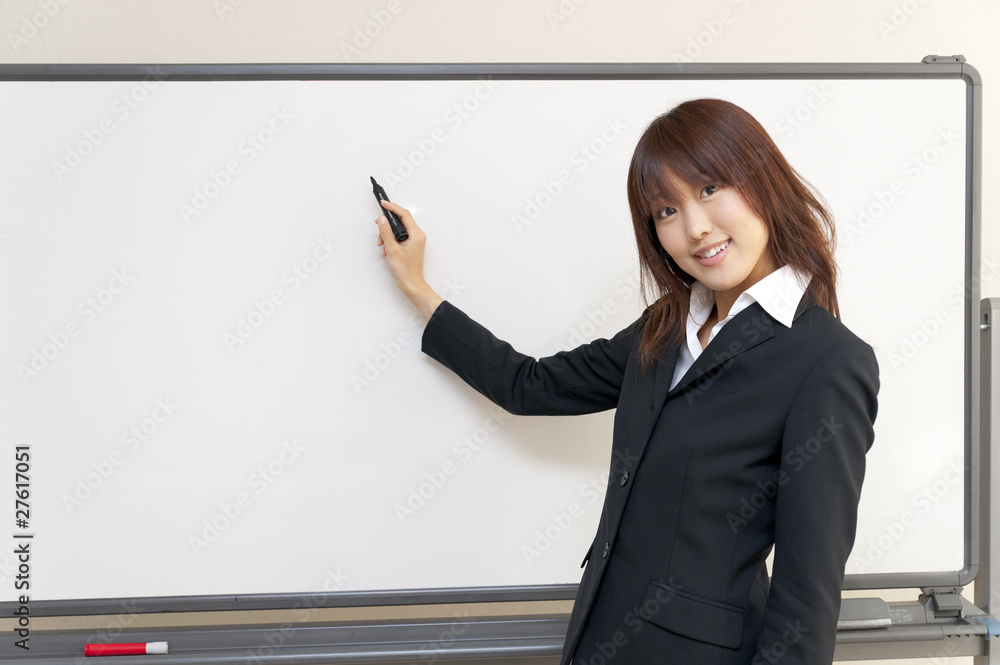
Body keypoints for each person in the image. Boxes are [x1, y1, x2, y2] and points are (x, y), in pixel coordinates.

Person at [373, 98, 879, 665]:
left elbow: (806, 602)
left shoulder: (827, 360)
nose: (695, 228)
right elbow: (531, 385)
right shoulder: (665, 327)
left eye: (710, 188)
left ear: (763, 180)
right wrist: (419, 288)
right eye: (666, 210)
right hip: (599, 637)